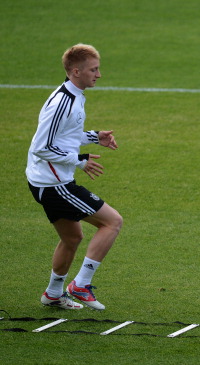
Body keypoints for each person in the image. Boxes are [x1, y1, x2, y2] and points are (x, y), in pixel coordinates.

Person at [26, 44, 123, 311]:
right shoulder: (62, 102)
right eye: (94, 69)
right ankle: (80, 285)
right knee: (112, 222)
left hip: (49, 181)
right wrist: (79, 161)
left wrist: (95, 137)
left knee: (72, 238)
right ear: (75, 71)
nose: (99, 75)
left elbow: (64, 137)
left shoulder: (75, 95)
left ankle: (53, 294)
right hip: (54, 183)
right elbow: (41, 147)